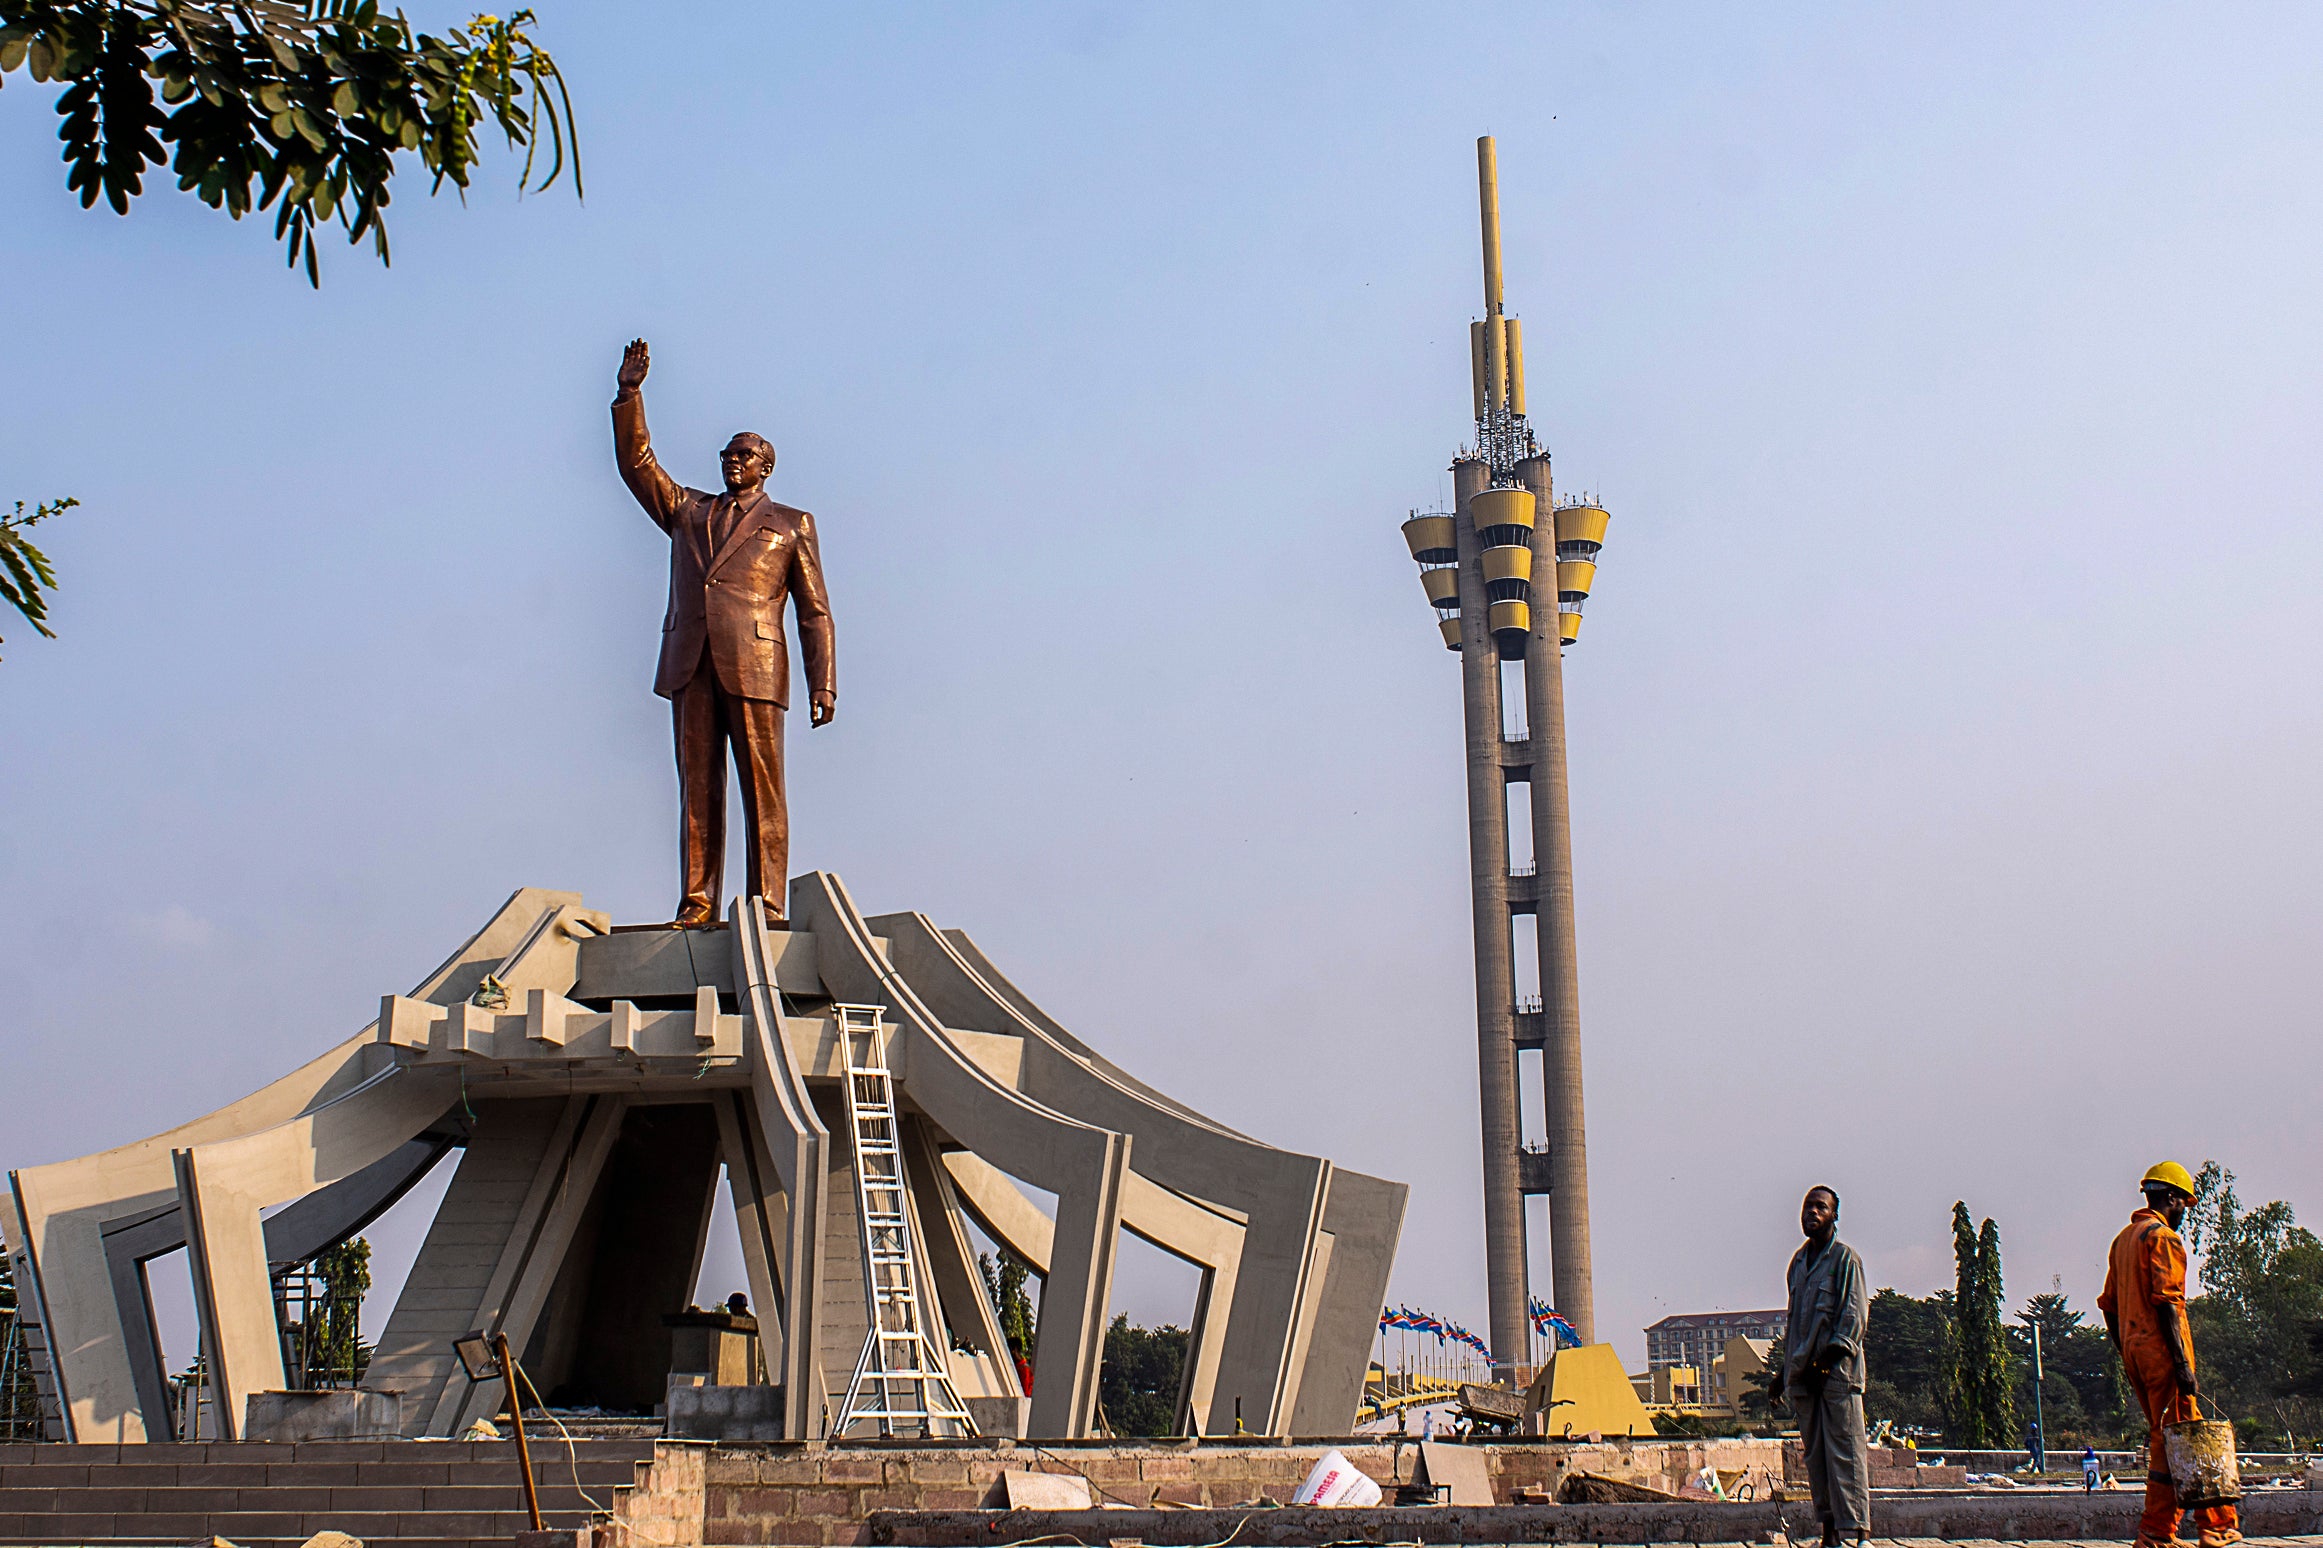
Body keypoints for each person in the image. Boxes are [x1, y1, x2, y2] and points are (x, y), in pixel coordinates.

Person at [611, 339, 836, 929]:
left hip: (757, 665)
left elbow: (814, 611)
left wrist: (824, 682)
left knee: (764, 789)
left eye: (743, 454)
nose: (731, 461)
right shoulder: (689, 511)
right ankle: (698, 901)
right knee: (697, 791)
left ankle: (767, 903)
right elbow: (638, 466)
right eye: (726, 453)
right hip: (692, 660)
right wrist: (630, 396)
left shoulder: (791, 524)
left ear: (766, 465)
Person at [2099, 1161, 2241, 1548]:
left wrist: (2129, 1351)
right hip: (2162, 1354)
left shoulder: (2124, 1240)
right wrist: (2179, 1363)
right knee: (2191, 1437)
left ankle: (2158, 1532)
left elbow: (2109, 1306)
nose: (2184, 1213)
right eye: (2184, 1205)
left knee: (2167, 1439)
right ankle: (2215, 1526)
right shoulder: (2162, 1238)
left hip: (2136, 1354)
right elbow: (2168, 1304)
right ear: (2172, 1198)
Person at [1774, 1185, 1871, 1546]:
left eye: (1820, 1207)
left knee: (1846, 1454)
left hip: (1837, 1378)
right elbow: (1795, 1324)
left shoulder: (1846, 1260)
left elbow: (1853, 1320)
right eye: (1807, 1206)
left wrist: (1825, 1364)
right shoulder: (1798, 1265)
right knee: (1816, 1460)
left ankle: (1857, 1533)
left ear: (1834, 1216)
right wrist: (1782, 1375)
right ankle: (1829, 1532)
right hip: (1804, 1379)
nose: (1811, 1212)